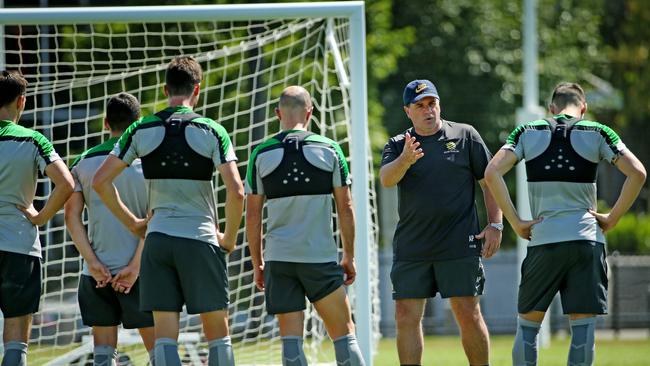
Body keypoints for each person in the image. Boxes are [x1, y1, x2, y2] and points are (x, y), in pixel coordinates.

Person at [92, 56, 245, 366]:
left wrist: (134, 224)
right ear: (197, 90)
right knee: (218, 334)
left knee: (164, 339)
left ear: (165, 89)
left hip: (158, 242)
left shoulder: (141, 129)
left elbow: (100, 181)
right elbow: (237, 190)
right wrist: (228, 239)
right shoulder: (211, 130)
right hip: (200, 238)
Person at [484, 82, 646, 366]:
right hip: (586, 241)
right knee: (583, 332)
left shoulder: (527, 131)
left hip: (544, 241)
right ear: (583, 107)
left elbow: (492, 172)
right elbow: (638, 173)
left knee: (527, 329)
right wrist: (613, 217)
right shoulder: (598, 131)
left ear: (551, 108)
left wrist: (516, 222)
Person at [380, 79, 503, 366]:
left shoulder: (465, 135)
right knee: (405, 316)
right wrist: (406, 160)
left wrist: (495, 224)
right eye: (420, 106)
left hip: (458, 243)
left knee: (468, 312)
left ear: (439, 104)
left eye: (431, 103)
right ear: (407, 111)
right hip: (413, 247)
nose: (428, 110)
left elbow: (489, 182)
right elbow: (387, 179)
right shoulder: (399, 144)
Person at [245, 85, 365, 366]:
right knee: (345, 337)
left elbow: (252, 216)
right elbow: (345, 207)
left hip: (279, 260)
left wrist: (258, 263)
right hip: (319, 259)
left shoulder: (260, 153)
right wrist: (348, 256)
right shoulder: (330, 149)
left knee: (291, 345)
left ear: (277, 113)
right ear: (310, 113)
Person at [64, 93, 155, 365]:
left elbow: (71, 216)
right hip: (143, 271)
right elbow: (157, 216)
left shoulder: (83, 162)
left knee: (103, 355)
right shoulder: (149, 161)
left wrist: (92, 263)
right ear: (138, 124)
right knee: (161, 350)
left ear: (106, 123)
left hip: (97, 274)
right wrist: (136, 266)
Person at [0, 70, 75, 366]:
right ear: (22, 101)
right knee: (17, 334)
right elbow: (67, 184)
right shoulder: (33, 141)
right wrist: (40, 217)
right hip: (19, 245)